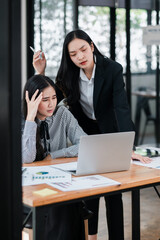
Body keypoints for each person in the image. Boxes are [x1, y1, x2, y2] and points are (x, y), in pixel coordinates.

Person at [33, 29, 151, 240]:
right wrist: (40, 73)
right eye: (73, 54)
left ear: (92, 46)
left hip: (112, 132)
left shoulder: (112, 69)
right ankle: (92, 237)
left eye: (83, 49)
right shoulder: (67, 75)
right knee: (90, 191)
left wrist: (127, 148)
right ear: (68, 56)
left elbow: (121, 109)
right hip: (86, 134)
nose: (80, 56)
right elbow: (48, 98)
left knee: (113, 192)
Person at [22, 74, 86, 240]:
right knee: (56, 205)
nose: (51, 104)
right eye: (45, 100)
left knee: (70, 201)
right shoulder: (22, 120)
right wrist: (30, 118)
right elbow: (27, 158)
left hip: (59, 180)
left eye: (54, 98)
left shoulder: (62, 114)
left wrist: (54, 155)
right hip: (31, 187)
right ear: (33, 101)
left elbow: (85, 143)